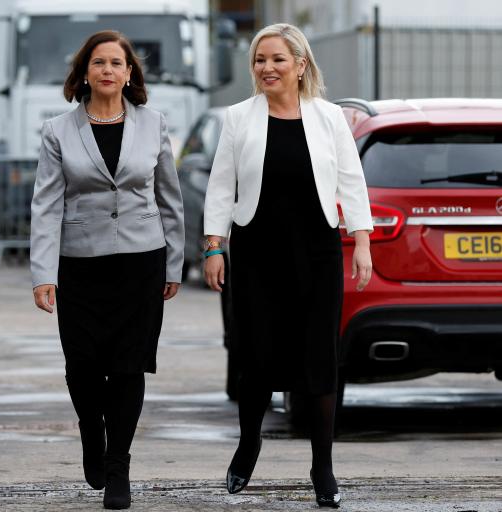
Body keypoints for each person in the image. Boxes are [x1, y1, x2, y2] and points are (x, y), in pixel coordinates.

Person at [203, 23, 373, 508]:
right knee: (255, 357)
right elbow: (221, 187)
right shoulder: (238, 118)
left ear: (300, 65)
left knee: (320, 358)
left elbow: (350, 180)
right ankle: (248, 443)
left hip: (317, 253)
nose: (266, 68)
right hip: (257, 253)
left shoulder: (329, 118)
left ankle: (323, 466)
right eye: (259, 60)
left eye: (277, 59)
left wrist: (362, 240)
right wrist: (214, 247)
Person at [30, 30, 184, 510]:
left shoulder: (154, 123)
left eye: (117, 63)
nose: (108, 71)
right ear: (85, 72)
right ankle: (89, 431)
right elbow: (46, 205)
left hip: (141, 261)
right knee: (82, 368)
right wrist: (43, 272)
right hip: (79, 264)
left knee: (128, 367)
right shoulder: (58, 130)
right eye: (99, 63)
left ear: (130, 72)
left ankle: (119, 467)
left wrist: (174, 261)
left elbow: (170, 198)